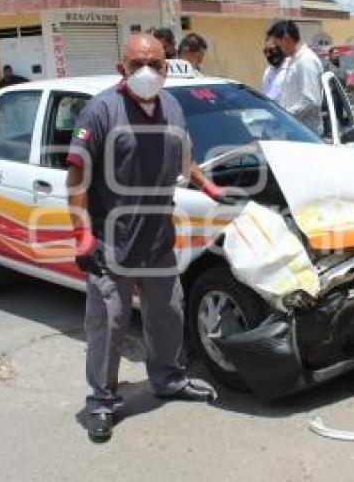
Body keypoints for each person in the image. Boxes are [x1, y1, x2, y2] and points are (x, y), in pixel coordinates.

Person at [65, 33, 232, 442]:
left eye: (155, 64)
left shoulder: (172, 105)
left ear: (166, 67)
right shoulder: (101, 110)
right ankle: (102, 401)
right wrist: (81, 234)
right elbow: (76, 177)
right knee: (110, 322)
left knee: (168, 312)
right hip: (113, 239)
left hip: (158, 236)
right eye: (137, 64)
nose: (146, 72)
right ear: (122, 68)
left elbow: (184, 154)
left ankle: (168, 379)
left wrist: (205, 184)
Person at [268, 20, 324, 134]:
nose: (276, 48)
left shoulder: (306, 60)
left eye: (277, 43)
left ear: (287, 39)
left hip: (307, 133)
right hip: (294, 130)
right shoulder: (292, 60)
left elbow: (310, 100)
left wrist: (284, 116)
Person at [261, 34, 289, 101]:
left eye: (272, 50)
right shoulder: (268, 71)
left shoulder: (292, 68)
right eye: (266, 51)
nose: (268, 54)